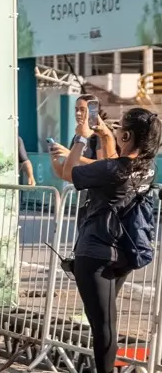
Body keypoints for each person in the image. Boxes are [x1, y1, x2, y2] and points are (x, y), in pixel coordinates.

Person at [56, 107, 161, 373]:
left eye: (118, 127)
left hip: (95, 254)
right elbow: (116, 167)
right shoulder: (147, 168)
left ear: (126, 134)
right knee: (108, 324)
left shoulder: (113, 169)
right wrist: (105, 137)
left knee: (102, 327)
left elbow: (68, 172)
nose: (114, 128)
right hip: (124, 253)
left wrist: (81, 138)